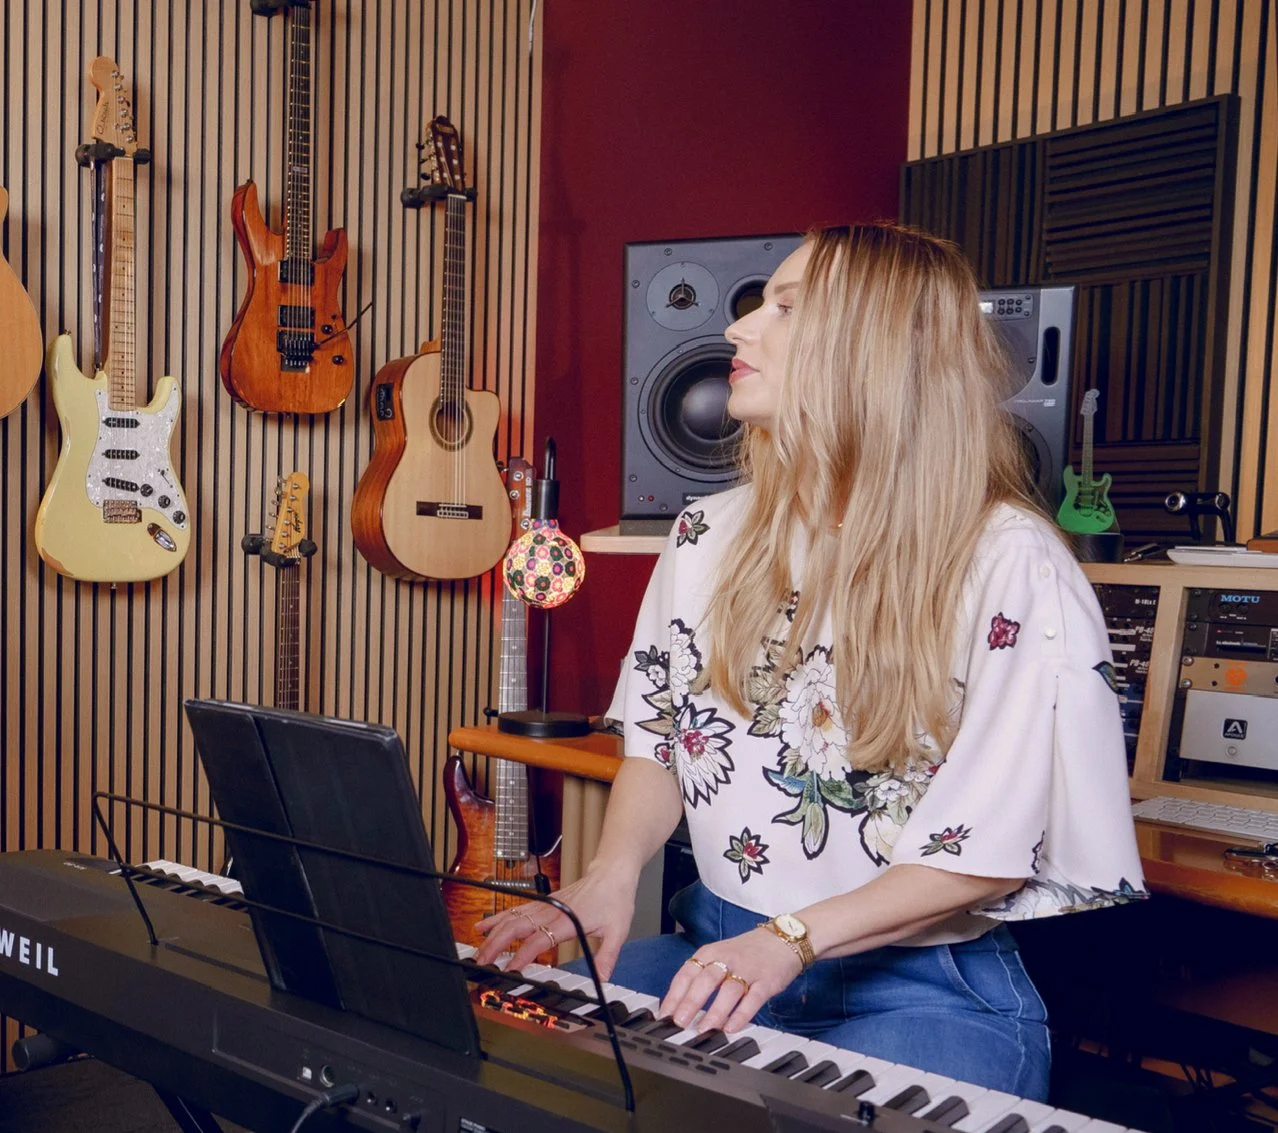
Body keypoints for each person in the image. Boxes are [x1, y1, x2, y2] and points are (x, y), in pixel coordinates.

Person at [475, 223, 1147, 1101]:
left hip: (923, 989)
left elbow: (988, 850)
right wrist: (607, 876)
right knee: (508, 1082)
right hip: (710, 950)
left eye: (786, 308)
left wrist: (789, 938)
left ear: (875, 353)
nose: (739, 328)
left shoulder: (1010, 560)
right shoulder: (704, 535)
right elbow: (663, 738)